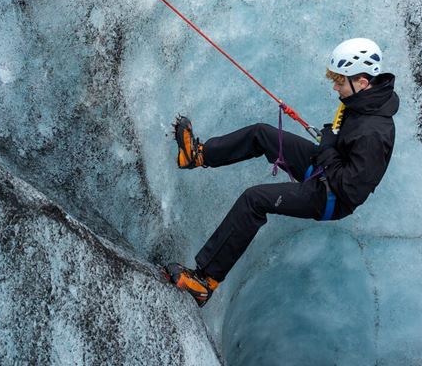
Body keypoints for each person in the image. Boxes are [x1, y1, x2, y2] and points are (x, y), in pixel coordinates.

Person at [163, 38, 399, 306]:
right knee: (261, 134)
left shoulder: (374, 133)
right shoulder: (362, 101)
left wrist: (328, 147)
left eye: (340, 82)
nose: (335, 87)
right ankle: (197, 155)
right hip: (325, 166)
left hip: (331, 196)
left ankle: (204, 282)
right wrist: (330, 144)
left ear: (363, 82)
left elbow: (349, 187)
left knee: (254, 200)